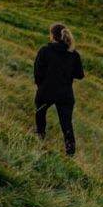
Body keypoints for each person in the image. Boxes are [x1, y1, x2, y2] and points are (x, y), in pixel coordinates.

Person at [33, 23, 85, 155]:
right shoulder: (73, 54)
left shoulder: (45, 51)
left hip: (46, 91)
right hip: (65, 93)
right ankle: (70, 151)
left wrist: (41, 86)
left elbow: (37, 72)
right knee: (66, 123)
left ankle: (40, 136)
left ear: (52, 36)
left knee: (40, 113)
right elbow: (79, 75)